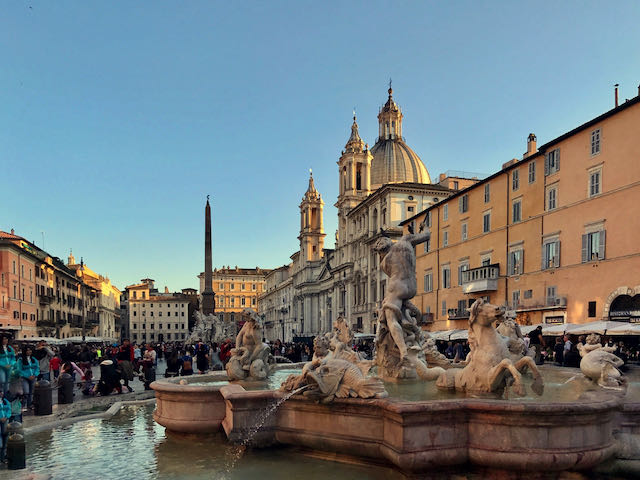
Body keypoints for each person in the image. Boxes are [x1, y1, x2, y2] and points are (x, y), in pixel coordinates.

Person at [373, 224, 431, 365]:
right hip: (411, 287)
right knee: (403, 311)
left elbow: (390, 272)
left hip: (396, 287)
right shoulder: (405, 241)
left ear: (381, 251)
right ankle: (408, 332)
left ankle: (403, 351)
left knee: (391, 318)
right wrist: (423, 227)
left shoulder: (384, 262)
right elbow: (426, 235)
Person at [0, 389, 10, 463]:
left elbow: (9, 410)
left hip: (5, 420)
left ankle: (3, 457)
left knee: (5, 437)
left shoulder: (5, 401)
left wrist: (6, 417)